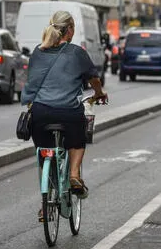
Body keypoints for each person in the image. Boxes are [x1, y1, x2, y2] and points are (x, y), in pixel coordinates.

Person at [21, 11, 108, 210]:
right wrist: (99, 93)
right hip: (68, 112)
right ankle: (74, 175)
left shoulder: (37, 51)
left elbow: (31, 80)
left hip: (40, 113)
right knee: (78, 138)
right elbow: (94, 79)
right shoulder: (76, 52)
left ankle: (47, 195)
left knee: (44, 151)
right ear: (69, 30)